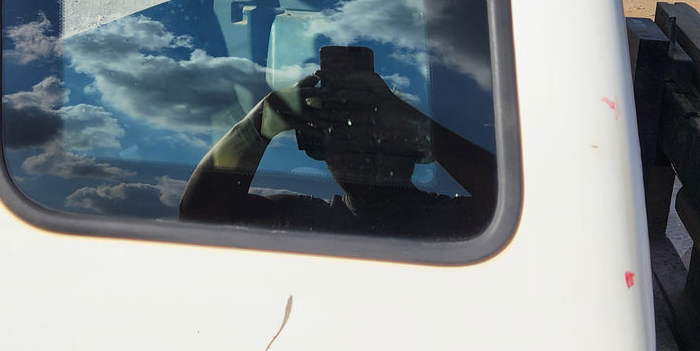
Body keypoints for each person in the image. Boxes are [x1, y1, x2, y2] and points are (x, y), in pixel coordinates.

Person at [179, 49, 495, 238]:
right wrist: (260, 122)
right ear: (319, 150)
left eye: (377, 133)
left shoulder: (466, 223)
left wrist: (421, 127)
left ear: (417, 149)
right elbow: (201, 214)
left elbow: (528, 209)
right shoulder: (300, 218)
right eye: (340, 135)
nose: (359, 148)